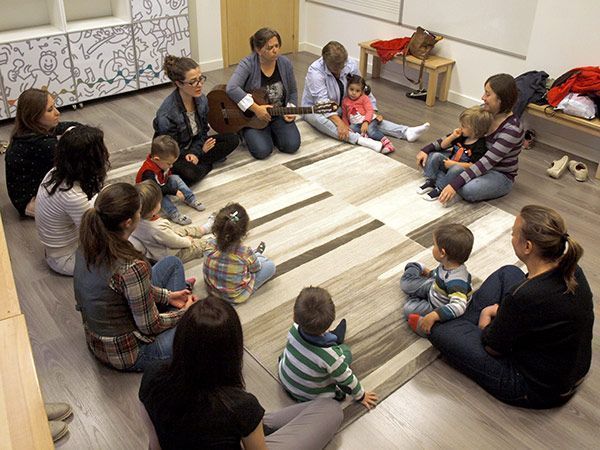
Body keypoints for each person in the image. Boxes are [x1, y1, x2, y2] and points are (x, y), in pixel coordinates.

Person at [428, 205, 594, 408]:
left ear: (527, 247)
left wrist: (486, 321)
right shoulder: (573, 269)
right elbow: (542, 308)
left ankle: (462, 319)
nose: (512, 236)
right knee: (507, 272)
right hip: (571, 369)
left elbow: (493, 349)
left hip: (535, 388)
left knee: (439, 329)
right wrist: (499, 310)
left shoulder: (524, 296)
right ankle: (463, 315)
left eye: (514, 234)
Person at [139, 295, 343, 449]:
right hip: (238, 418)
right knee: (331, 409)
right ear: (232, 349)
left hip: (231, 420)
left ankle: (255, 427)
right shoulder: (238, 404)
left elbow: (154, 444)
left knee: (255, 420)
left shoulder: (153, 374)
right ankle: (255, 427)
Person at [73, 183, 196, 371]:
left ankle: (170, 309)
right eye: (139, 212)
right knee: (199, 329)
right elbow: (150, 326)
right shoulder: (131, 267)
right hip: (128, 353)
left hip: (99, 338)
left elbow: (126, 286)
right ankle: (178, 317)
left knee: (172, 263)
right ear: (128, 222)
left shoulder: (88, 242)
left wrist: (167, 296)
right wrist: (184, 313)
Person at [302, 41, 430, 151]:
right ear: (326, 63)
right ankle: (361, 140)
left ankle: (406, 132)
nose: (341, 70)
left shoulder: (349, 64)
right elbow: (323, 103)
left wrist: (372, 112)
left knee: (367, 119)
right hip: (315, 108)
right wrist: (340, 123)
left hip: (344, 106)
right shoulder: (315, 72)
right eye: (337, 68)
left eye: (342, 66)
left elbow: (363, 89)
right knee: (320, 118)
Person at [417, 73, 524, 204]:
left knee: (469, 190)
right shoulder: (483, 112)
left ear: (500, 99)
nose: (483, 97)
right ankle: (446, 180)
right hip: (471, 159)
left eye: (488, 94)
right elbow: (459, 133)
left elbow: (485, 163)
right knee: (432, 156)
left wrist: (454, 185)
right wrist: (426, 149)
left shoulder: (511, 129)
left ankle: (441, 182)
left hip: (497, 173)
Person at [278, 286, 379, 409]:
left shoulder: (293, 329)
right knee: (345, 352)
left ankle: (330, 338)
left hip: (285, 379)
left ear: (294, 316)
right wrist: (362, 396)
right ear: (329, 324)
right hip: (310, 397)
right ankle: (333, 339)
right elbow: (347, 379)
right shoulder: (330, 357)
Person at [35, 125, 109, 276]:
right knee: (130, 242)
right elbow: (95, 235)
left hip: (57, 250)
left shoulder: (55, 173)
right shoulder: (73, 196)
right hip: (66, 259)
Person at [153, 55, 239, 185]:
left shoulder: (202, 100)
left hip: (195, 144)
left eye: (200, 79)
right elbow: (170, 149)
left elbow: (203, 131)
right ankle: (207, 163)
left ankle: (199, 162)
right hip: (175, 152)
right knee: (190, 175)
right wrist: (194, 154)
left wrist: (196, 152)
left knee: (233, 139)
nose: (199, 85)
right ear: (179, 83)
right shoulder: (167, 114)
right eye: (193, 81)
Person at [226, 27, 301, 159]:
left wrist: (291, 109)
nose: (275, 50)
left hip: (278, 113)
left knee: (292, 145)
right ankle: (246, 132)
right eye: (269, 47)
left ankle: (271, 132)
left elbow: (293, 91)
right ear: (258, 50)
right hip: (253, 117)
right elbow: (231, 88)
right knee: (262, 151)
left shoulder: (285, 63)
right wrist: (256, 109)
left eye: (277, 46)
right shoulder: (248, 63)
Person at [5, 88, 81, 217]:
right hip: (31, 201)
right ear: (34, 116)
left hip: (26, 194)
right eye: (50, 110)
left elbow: (66, 126)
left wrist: (79, 130)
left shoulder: (28, 129)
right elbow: (73, 166)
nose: (57, 113)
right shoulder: (41, 144)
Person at [400, 224, 474, 336]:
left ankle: (423, 324)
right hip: (434, 288)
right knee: (406, 284)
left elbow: (459, 306)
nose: (432, 247)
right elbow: (439, 274)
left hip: (437, 305)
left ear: (442, 253)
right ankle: (417, 268)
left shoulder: (457, 281)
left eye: (434, 245)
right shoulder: (448, 264)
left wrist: (434, 315)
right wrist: (429, 273)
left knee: (408, 309)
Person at [203, 203, 275, 303]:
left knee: (248, 260)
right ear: (244, 231)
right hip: (233, 296)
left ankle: (255, 256)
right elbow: (256, 269)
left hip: (212, 290)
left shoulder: (208, 244)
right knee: (269, 266)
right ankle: (257, 255)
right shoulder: (244, 252)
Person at [417, 106, 493, 201]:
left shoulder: (480, 146)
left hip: (459, 170)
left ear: (476, 129)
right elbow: (443, 145)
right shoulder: (462, 135)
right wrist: (452, 136)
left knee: (456, 169)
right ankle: (431, 180)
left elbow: (473, 165)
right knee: (435, 155)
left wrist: (454, 164)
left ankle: (440, 188)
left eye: (464, 126)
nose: (461, 127)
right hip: (449, 162)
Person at [129, 180, 214, 263]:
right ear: (154, 209)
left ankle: (204, 229)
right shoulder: (157, 228)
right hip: (171, 254)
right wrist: (187, 241)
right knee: (198, 246)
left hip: (157, 247)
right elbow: (174, 242)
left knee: (183, 230)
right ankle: (213, 243)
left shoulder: (135, 221)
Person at [135, 135, 206, 225]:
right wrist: (174, 191)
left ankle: (191, 199)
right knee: (161, 197)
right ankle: (174, 214)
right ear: (157, 159)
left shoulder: (161, 163)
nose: (171, 166)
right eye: (169, 163)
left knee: (175, 178)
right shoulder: (148, 172)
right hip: (151, 193)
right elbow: (157, 190)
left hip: (162, 183)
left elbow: (166, 178)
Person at [341, 74, 395, 154]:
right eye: (351, 89)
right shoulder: (345, 101)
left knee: (371, 130)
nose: (353, 93)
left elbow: (370, 110)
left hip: (369, 120)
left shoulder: (364, 98)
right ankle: (367, 138)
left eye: (357, 91)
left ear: (362, 91)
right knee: (351, 129)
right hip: (356, 123)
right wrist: (345, 126)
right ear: (347, 88)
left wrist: (366, 122)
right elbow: (345, 115)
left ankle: (387, 144)